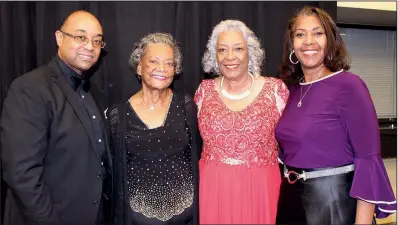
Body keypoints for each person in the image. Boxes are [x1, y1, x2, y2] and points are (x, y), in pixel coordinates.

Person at [275, 6, 397, 225]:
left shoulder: (349, 86)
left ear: (330, 40)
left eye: (318, 33)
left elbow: (368, 161)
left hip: (334, 204)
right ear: (292, 44)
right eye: (300, 34)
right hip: (290, 202)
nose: (308, 41)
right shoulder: (292, 90)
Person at [1, 10, 112, 225]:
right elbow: (21, 173)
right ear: (59, 37)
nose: (90, 46)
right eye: (81, 37)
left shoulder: (94, 93)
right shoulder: (30, 88)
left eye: (97, 41)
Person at [194, 20, 289, 224]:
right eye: (222, 50)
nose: (230, 57)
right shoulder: (203, 91)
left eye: (238, 48)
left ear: (250, 52)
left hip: (261, 191)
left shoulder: (275, 90)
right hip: (213, 191)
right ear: (214, 55)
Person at [107, 33, 200, 225]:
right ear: (139, 67)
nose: (162, 69)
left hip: (185, 218)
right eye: (154, 61)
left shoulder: (186, 106)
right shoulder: (118, 114)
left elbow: (196, 157)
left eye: (169, 63)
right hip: (136, 220)